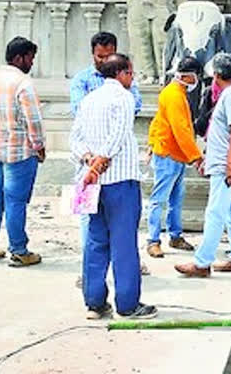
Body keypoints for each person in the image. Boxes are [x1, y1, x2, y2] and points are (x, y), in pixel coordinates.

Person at [69, 53, 157, 319]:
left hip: (91, 182)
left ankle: (94, 301)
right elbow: (117, 136)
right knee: (123, 243)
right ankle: (128, 304)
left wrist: (88, 159)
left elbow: (75, 139)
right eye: (130, 73)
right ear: (121, 73)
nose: (132, 79)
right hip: (118, 180)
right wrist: (98, 164)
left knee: (96, 241)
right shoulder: (123, 97)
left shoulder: (89, 99)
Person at [174, 53, 231, 277]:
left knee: (216, 212)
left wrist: (229, 164)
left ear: (217, 75)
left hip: (227, 164)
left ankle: (202, 262)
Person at [0, 36, 45, 267]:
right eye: (30, 58)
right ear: (19, 58)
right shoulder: (23, 84)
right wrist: (39, 147)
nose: (32, 63)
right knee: (15, 201)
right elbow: (33, 120)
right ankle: (19, 250)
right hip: (19, 152)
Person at [146, 56, 204, 258]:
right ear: (189, 76)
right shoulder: (174, 96)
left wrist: (151, 142)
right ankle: (153, 240)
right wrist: (196, 157)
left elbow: (157, 121)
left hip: (176, 154)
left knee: (176, 199)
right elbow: (181, 131)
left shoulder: (175, 93)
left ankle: (175, 235)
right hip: (169, 154)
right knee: (159, 199)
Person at [69, 31, 143, 117]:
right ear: (93, 53)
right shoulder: (82, 79)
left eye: (108, 56)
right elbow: (78, 109)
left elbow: (136, 104)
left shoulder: (124, 75)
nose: (104, 61)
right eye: (100, 57)